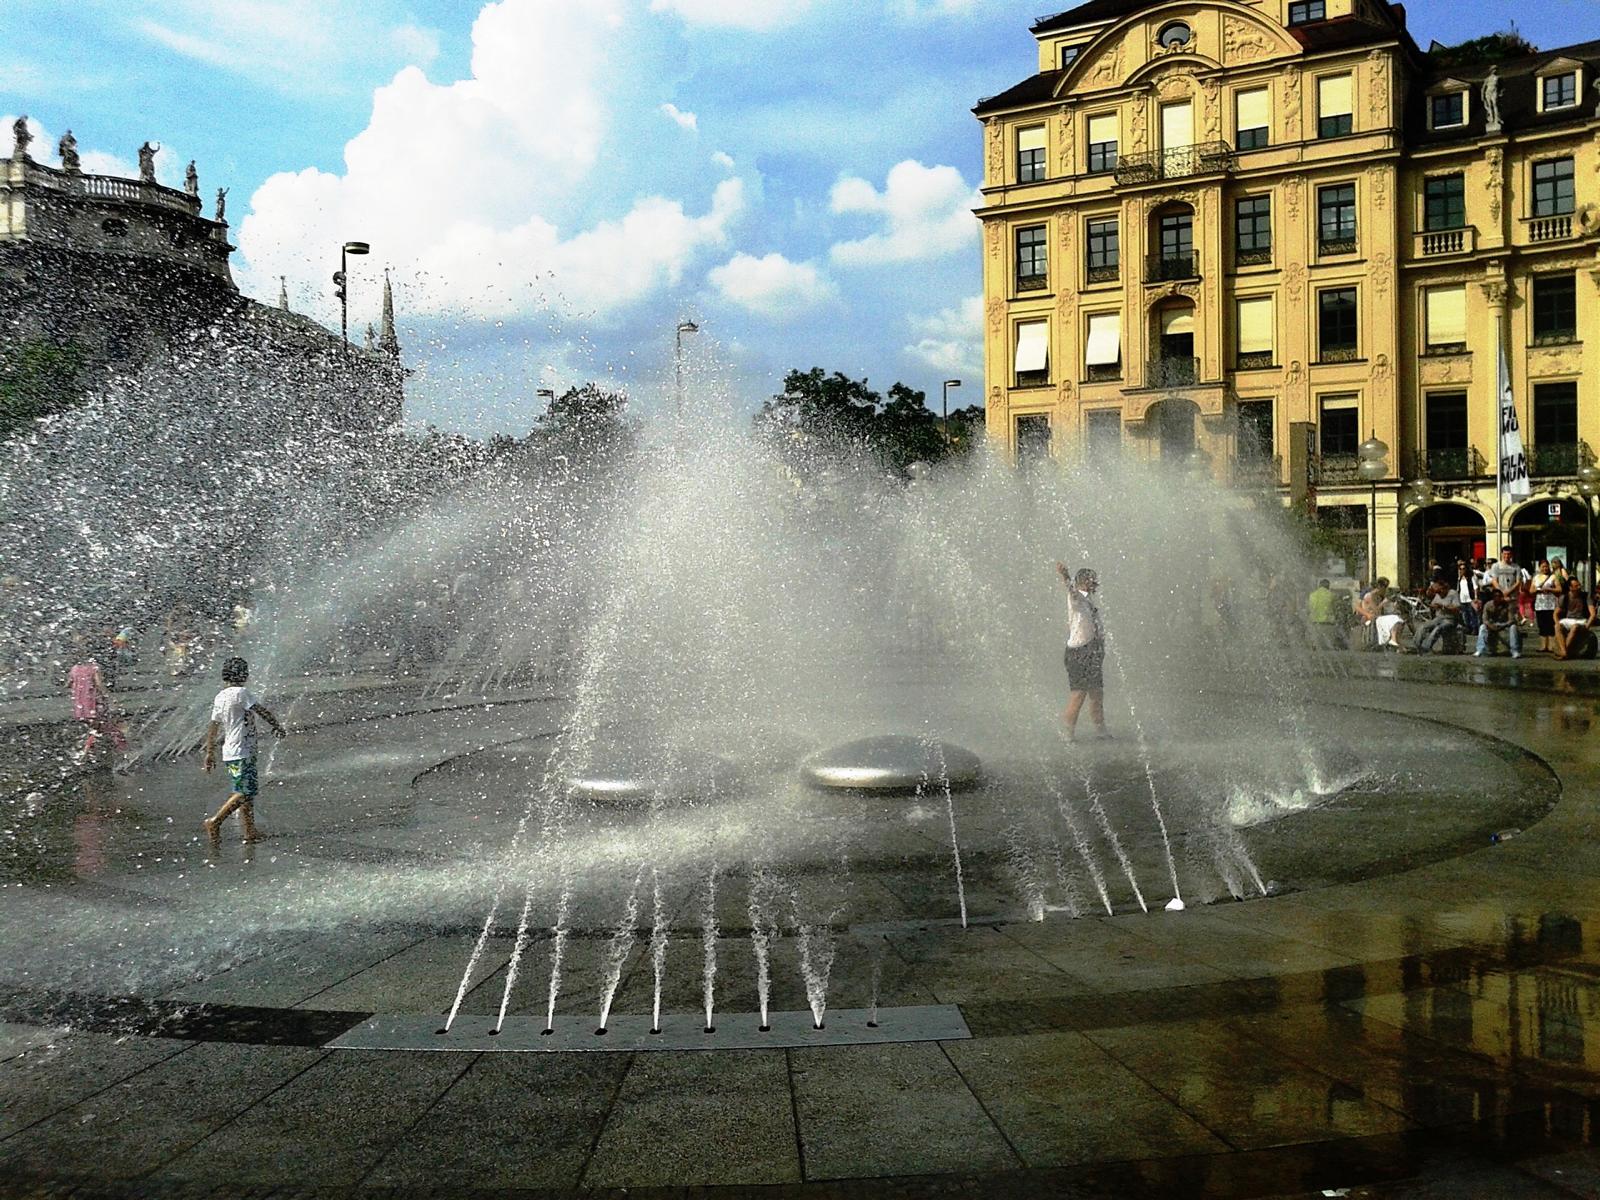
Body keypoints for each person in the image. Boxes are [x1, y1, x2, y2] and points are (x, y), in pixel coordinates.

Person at [201, 656, 286, 843]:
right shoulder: (241, 693)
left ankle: (249, 832)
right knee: (245, 792)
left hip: (231, 751)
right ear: (244, 674)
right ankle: (215, 821)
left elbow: (213, 726)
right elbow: (261, 710)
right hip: (242, 751)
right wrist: (276, 725)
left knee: (245, 794)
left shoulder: (221, 696)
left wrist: (209, 752)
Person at [1055, 563, 1109, 742]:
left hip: (1092, 652)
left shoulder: (1089, 603)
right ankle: (1067, 735)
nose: (1096, 583)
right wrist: (1065, 576)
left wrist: (1101, 649)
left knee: (1096, 693)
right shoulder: (1076, 598)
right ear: (1084, 582)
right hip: (1078, 653)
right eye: (1092, 579)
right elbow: (1070, 591)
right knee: (1078, 695)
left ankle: (1101, 732)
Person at [68, 648, 126, 759]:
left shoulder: (74, 669)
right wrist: (110, 698)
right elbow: (99, 685)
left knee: (96, 730)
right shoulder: (94, 668)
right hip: (93, 705)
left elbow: (68, 684)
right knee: (111, 728)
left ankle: (86, 754)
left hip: (80, 707)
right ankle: (124, 752)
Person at [1475, 586, 1522, 658]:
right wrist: (1491, 626)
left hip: (1505, 625)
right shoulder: (1488, 605)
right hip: (1492, 625)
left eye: (1500, 596)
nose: (1498, 598)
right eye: (1495, 596)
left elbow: (1511, 620)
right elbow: (1485, 619)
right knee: (1482, 627)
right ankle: (1480, 650)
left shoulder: (1508, 605)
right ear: (1493, 597)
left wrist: (1503, 625)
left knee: (1513, 627)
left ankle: (1515, 651)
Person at [1417, 580, 1463, 654]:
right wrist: (1426, 603)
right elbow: (1433, 605)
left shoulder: (1453, 593)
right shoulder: (1438, 595)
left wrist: (1443, 607)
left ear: (1444, 589)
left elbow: (1457, 609)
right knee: (1423, 626)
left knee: (1438, 628)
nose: (1439, 594)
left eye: (1440, 592)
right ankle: (1417, 645)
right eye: (1437, 593)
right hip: (1438, 618)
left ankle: (1426, 647)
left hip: (1450, 619)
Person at [1554, 577, 1595, 659]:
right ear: (1570, 587)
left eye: (1579, 585)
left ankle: (1564, 651)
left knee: (1574, 627)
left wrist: (1587, 626)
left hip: (1581, 620)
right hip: (1568, 619)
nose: (1579, 587)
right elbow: (1555, 613)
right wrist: (1557, 622)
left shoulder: (1585, 596)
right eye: (1576, 586)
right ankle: (1564, 652)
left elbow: (1593, 614)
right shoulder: (1564, 597)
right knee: (1557, 627)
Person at [1532, 559, 1561, 652]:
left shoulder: (1553, 577)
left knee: (1550, 625)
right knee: (1542, 625)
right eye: (1543, 566)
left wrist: (1550, 589)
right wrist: (1537, 590)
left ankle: (1551, 645)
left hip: (1551, 605)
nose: (1545, 568)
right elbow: (1531, 590)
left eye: (1546, 566)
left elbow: (1559, 589)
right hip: (1540, 605)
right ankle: (1543, 645)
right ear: (1539, 567)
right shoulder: (1536, 577)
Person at [1307, 578, 1343, 650]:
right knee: (1329, 647)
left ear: (1319, 586)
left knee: (1315, 647)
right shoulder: (1332, 595)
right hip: (1328, 624)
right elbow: (1337, 609)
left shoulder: (1312, 595)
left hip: (1315, 624)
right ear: (1328, 586)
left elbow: (1308, 609)